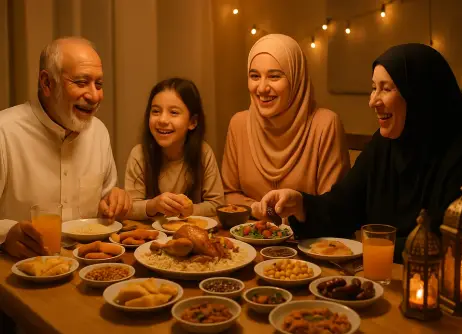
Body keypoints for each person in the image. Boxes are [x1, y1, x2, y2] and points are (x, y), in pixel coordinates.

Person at [252, 43, 462, 285]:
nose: (373, 101)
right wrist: (301, 204)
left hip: (443, 293)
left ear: (418, 95)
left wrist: (369, 249)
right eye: (373, 88)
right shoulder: (383, 146)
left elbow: (446, 245)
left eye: (386, 89)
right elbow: (343, 206)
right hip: (380, 280)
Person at [0, 37, 131, 258]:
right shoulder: (5, 131)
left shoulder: (98, 132)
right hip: (20, 277)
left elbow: (106, 204)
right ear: (47, 83)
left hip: (89, 268)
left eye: (98, 84)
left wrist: (114, 202)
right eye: (81, 83)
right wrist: (4, 235)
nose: (94, 96)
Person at [221, 34, 350, 207]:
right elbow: (228, 194)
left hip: (309, 234)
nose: (262, 88)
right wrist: (257, 209)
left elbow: (334, 206)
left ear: (296, 79)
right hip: (247, 232)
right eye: (255, 76)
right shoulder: (239, 123)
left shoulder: (325, 125)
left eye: (274, 76)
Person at [124, 78, 224, 220]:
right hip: (152, 236)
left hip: (192, 234)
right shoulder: (139, 154)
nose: (163, 120)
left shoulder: (203, 152)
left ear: (193, 122)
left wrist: (191, 209)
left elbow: (217, 204)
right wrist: (153, 205)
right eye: (156, 111)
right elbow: (129, 209)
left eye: (174, 113)